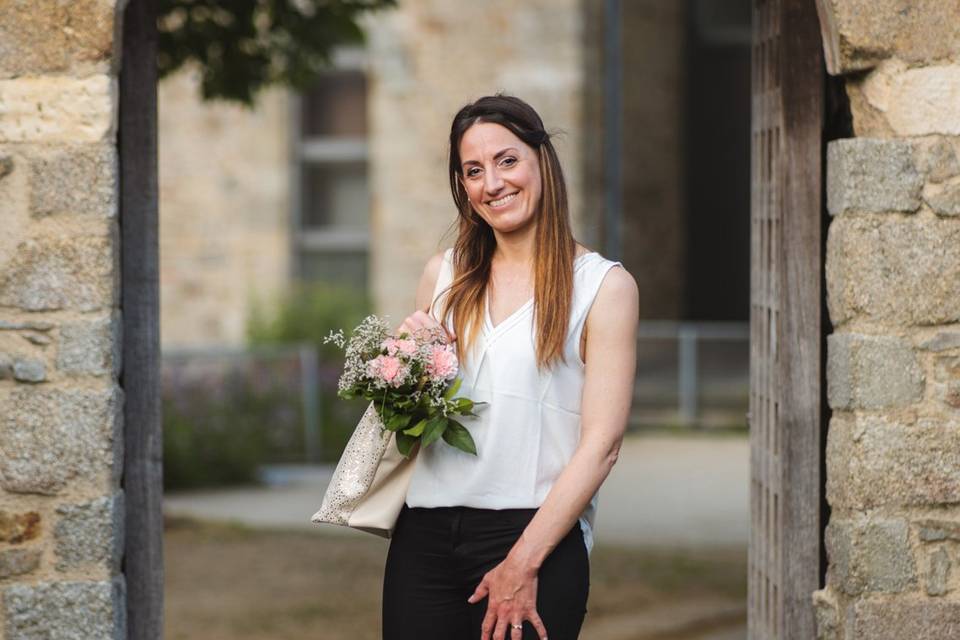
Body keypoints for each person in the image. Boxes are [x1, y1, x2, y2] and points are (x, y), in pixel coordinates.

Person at [383, 94, 638, 640]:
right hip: (424, 536)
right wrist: (399, 367)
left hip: (533, 536)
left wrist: (522, 564)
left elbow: (603, 445)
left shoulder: (603, 287)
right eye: (473, 171)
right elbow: (412, 424)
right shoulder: (444, 275)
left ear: (542, 160)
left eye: (506, 160)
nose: (492, 183)